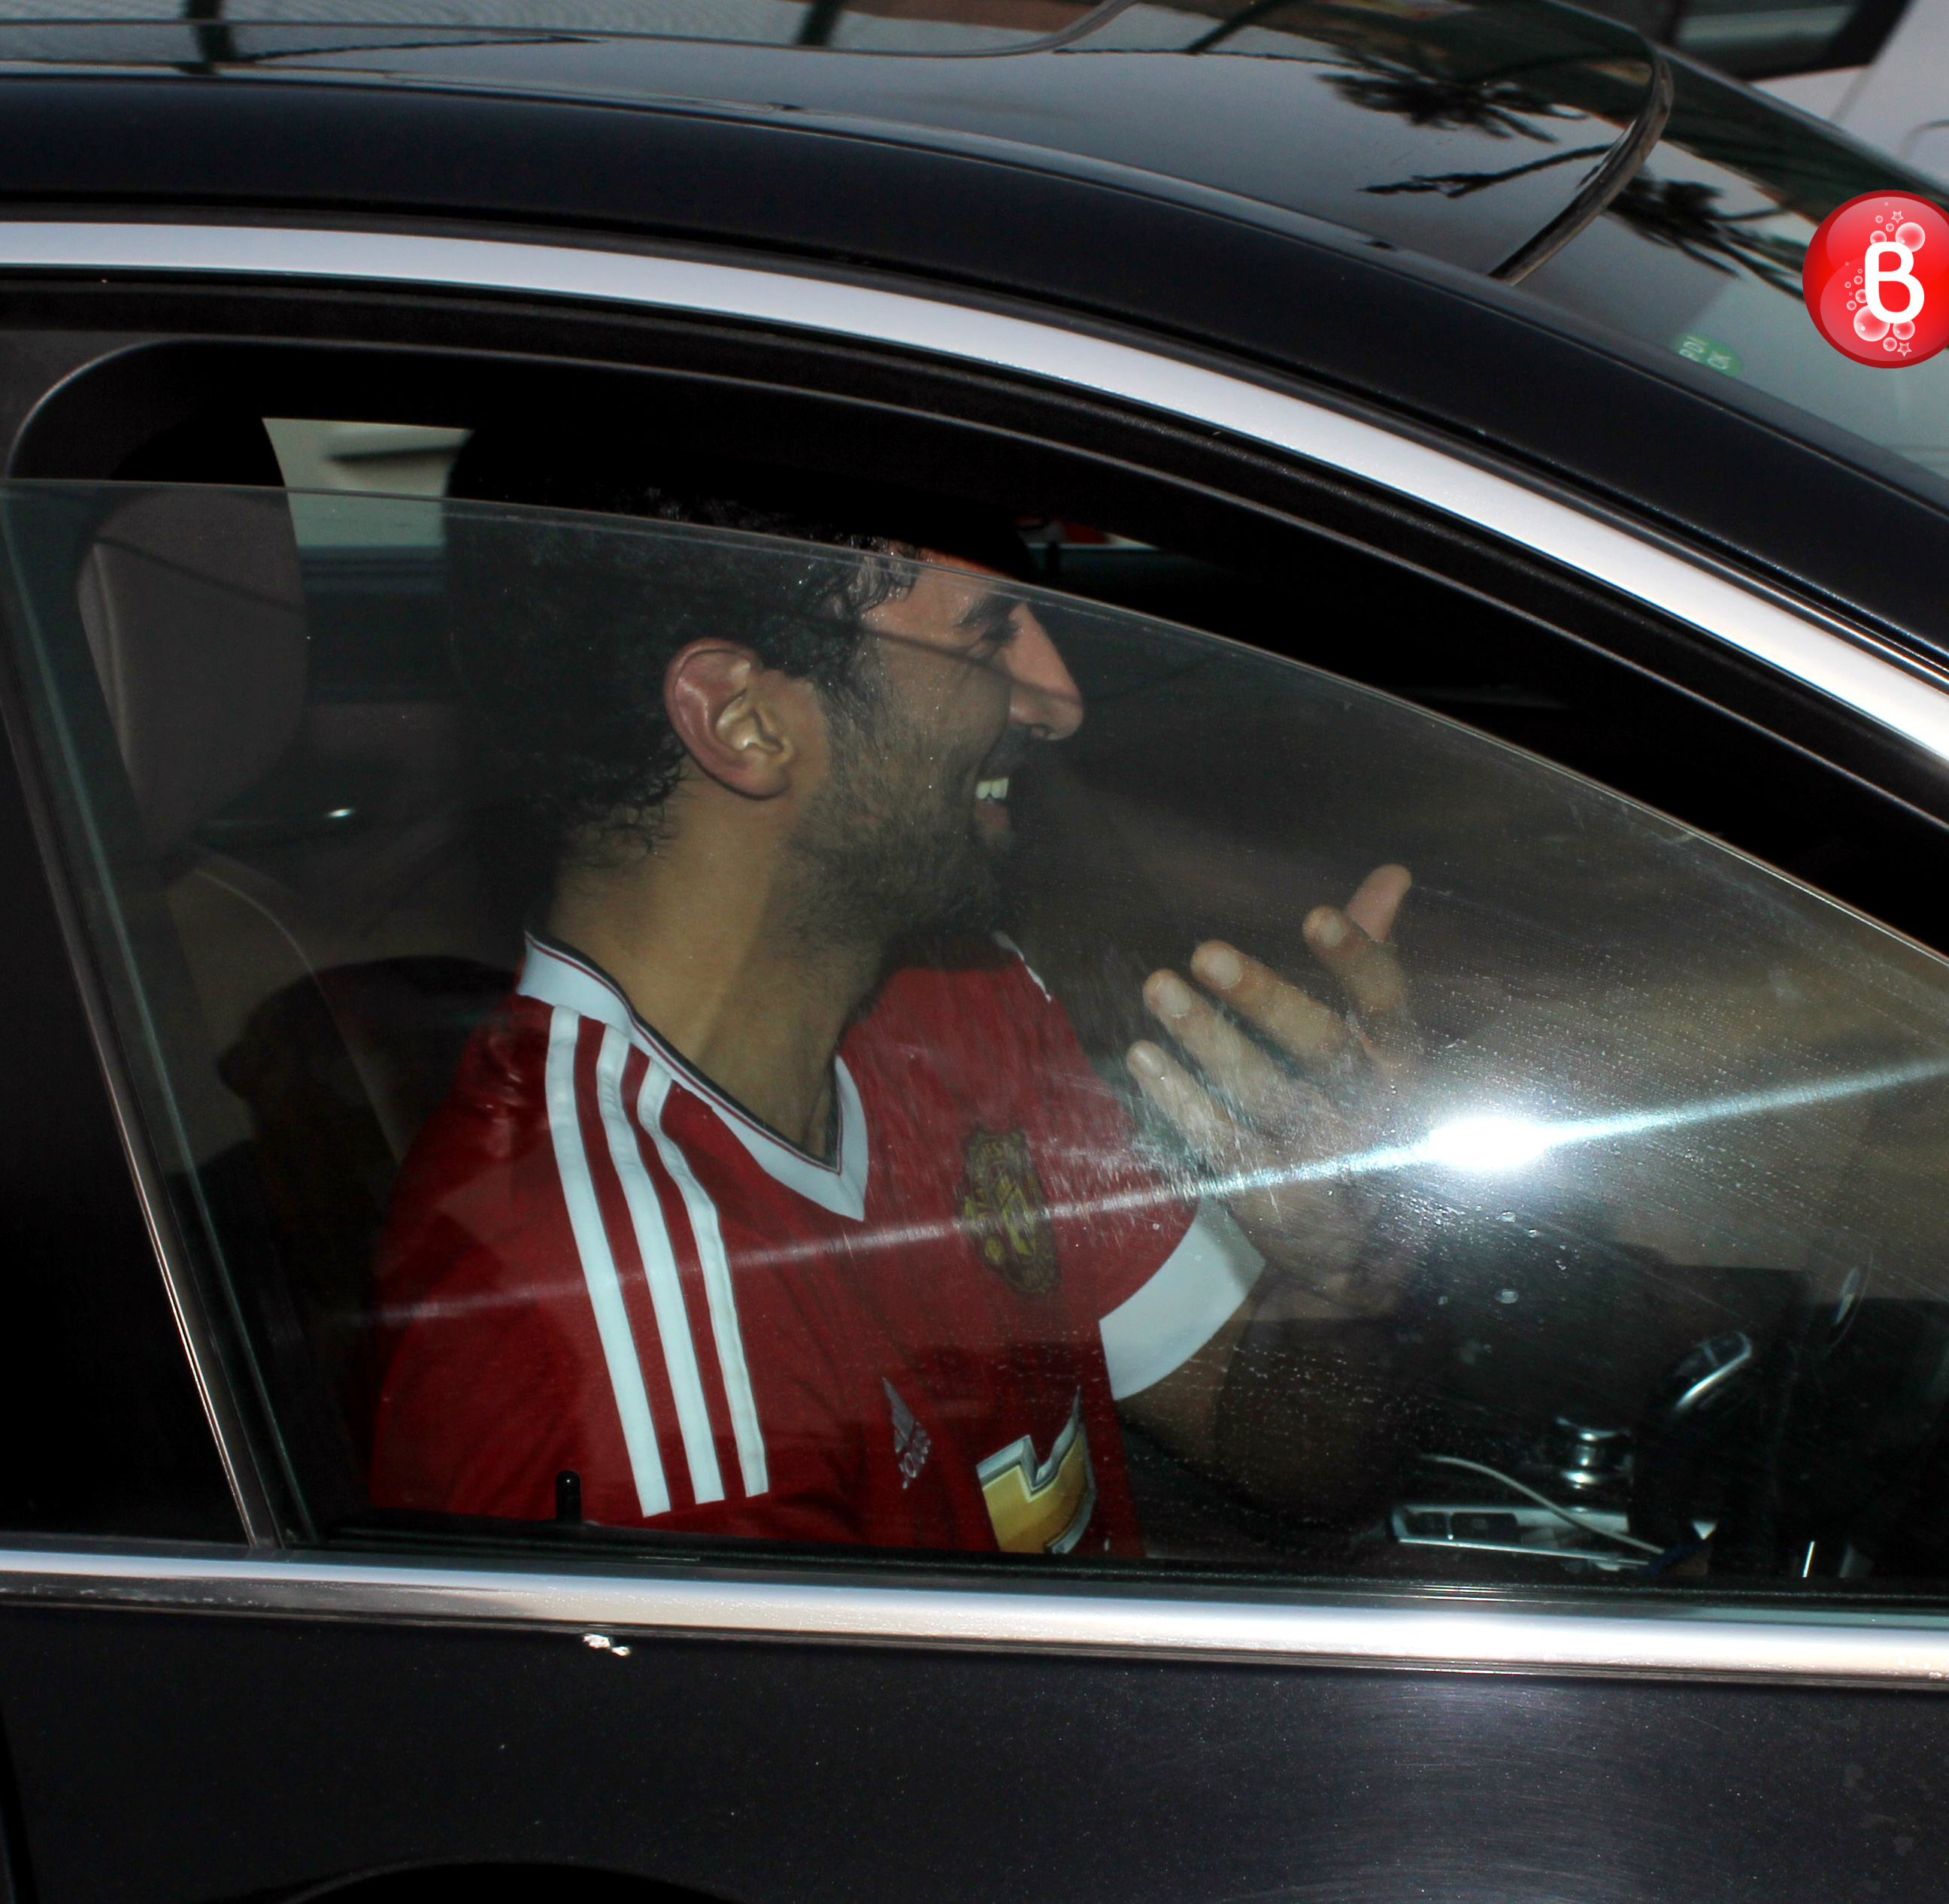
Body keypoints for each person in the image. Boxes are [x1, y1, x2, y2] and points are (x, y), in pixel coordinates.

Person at [370, 445, 1428, 1554]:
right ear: (746, 724)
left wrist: (1352, 1275)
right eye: (987, 634)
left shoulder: (954, 1007)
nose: (1057, 700)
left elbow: (1276, 1448)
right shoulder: (613, 1333)